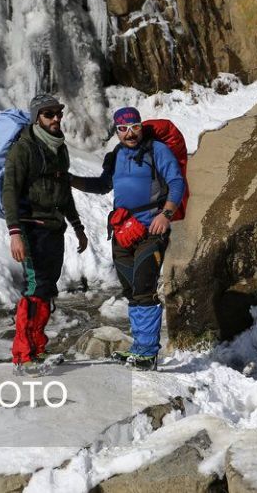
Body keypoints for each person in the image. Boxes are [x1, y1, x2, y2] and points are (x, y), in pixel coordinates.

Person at [70, 107, 184, 371]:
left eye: (134, 126)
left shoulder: (157, 151)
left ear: (141, 126)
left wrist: (166, 215)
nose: (130, 133)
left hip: (151, 228)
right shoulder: (117, 155)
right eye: (123, 128)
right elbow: (102, 185)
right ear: (117, 130)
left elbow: (177, 183)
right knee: (131, 290)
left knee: (144, 287)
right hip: (122, 231)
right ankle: (139, 349)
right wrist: (71, 179)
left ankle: (147, 354)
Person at [3, 93, 88, 375]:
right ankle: (22, 356)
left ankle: (38, 348)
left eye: (58, 113)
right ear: (37, 117)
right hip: (29, 228)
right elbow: (10, 190)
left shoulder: (58, 148)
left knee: (46, 290)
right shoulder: (24, 148)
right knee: (33, 289)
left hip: (54, 227)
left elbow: (63, 192)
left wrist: (78, 227)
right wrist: (15, 233)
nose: (56, 119)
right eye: (49, 114)